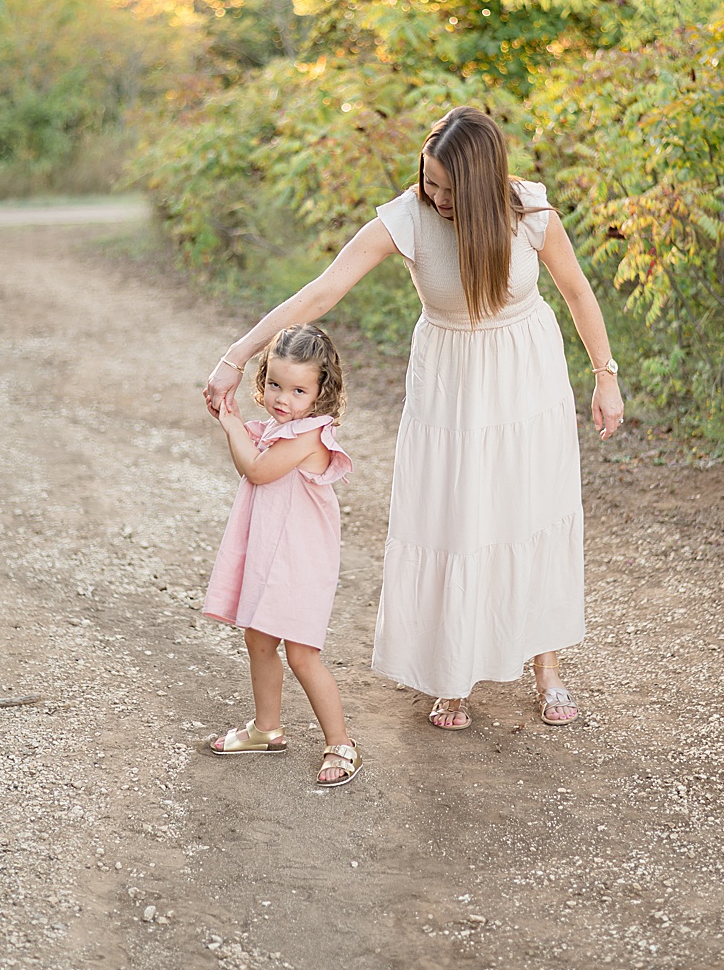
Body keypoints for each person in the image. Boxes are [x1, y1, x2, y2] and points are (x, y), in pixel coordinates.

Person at [202, 106, 625, 732]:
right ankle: (452, 672)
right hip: (451, 386)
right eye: (429, 181)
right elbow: (320, 291)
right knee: (455, 517)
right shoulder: (409, 219)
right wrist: (237, 355)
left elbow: (578, 291)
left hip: (526, 378)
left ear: (484, 183)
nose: (436, 196)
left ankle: (547, 665)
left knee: (530, 508)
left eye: (451, 188)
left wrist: (605, 375)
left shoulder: (530, 214)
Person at [204, 324, 360, 788]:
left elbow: (256, 469)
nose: (282, 398)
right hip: (271, 556)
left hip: (300, 562)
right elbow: (253, 465)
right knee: (258, 639)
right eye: (274, 383)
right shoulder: (278, 427)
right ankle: (266, 728)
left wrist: (230, 423)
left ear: (320, 392)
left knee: (302, 654)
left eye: (298, 390)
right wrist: (237, 424)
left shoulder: (310, 435)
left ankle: (341, 742)